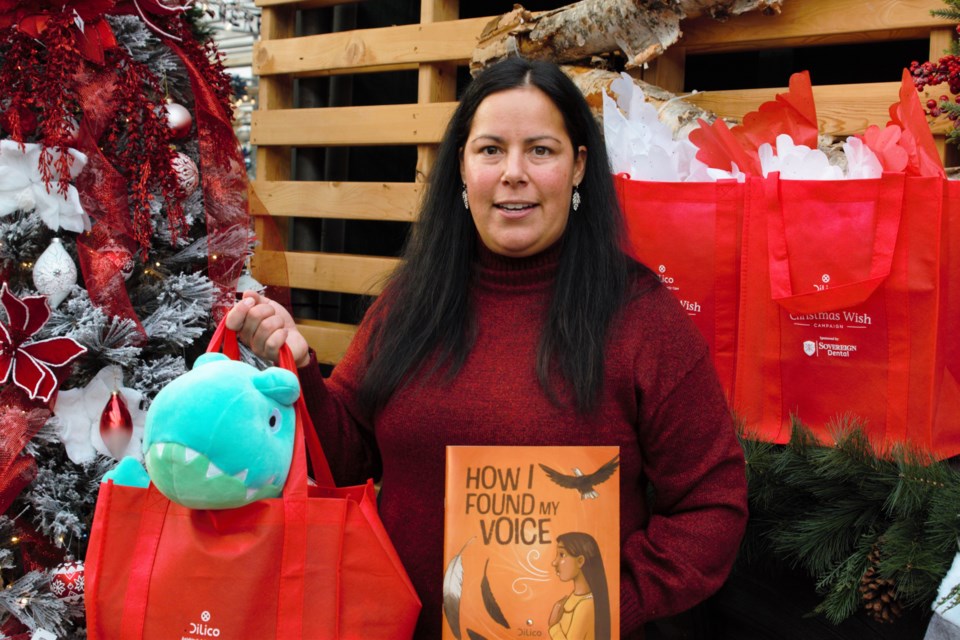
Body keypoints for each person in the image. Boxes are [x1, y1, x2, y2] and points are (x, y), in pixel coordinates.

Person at [226, 55, 748, 639]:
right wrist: (298, 369)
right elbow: (346, 459)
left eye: (541, 150)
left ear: (578, 166)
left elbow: (712, 505)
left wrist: (603, 608)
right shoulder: (411, 302)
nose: (513, 173)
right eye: (491, 149)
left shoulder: (641, 317)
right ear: (462, 168)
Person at [549, 532, 611, 640]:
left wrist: (553, 626)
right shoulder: (575, 599)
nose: (554, 562)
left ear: (580, 561)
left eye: (562, 554)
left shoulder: (586, 606)